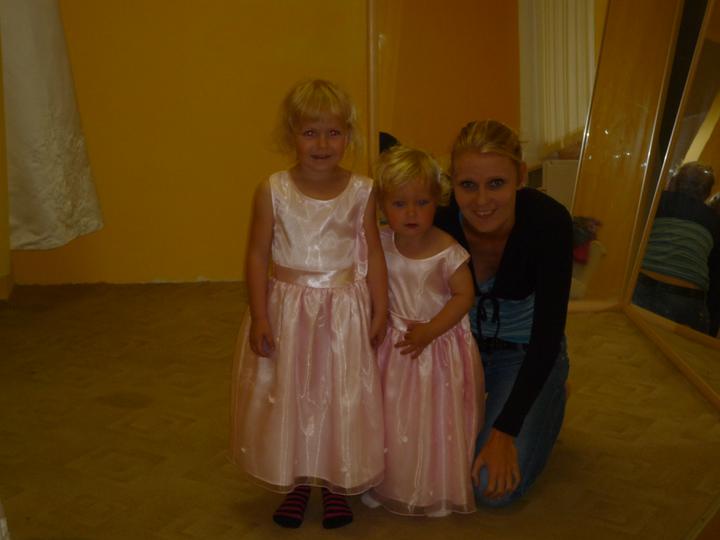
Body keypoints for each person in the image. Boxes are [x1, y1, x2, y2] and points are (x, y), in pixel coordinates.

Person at [230, 79, 388, 529]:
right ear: (291, 135)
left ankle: (336, 482)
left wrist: (380, 307)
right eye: (310, 132)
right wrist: (260, 314)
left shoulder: (362, 191)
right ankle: (297, 480)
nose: (322, 144)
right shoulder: (273, 190)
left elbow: (373, 253)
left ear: (348, 135)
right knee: (292, 394)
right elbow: (257, 254)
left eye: (333, 133)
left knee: (339, 394)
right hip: (289, 313)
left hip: (343, 314)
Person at [435, 120, 573, 507]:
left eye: (496, 183)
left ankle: (550, 393)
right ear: (452, 184)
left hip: (526, 354)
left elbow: (547, 334)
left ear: (521, 177)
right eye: (468, 185)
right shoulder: (439, 219)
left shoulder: (549, 222)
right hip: (458, 351)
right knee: (423, 463)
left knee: (489, 488)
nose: (482, 200)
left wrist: (505, 431)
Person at [362, 145, 483, 516]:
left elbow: (464, 296)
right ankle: (390, 481)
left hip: (436, 351)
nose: (411, 213)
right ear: (383, 206)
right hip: (393, 348)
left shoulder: (447, 251)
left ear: (437, 200)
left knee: (430, 419)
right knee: (392, 416)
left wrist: (431, 330)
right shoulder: (380, 244)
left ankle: (434, 484)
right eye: (399, 204)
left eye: (422, 202)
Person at [633, 162, 720, 335]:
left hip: (642, 287)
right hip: (687, 300)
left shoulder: (658, 201)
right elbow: (715, 275)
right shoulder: (714, 221)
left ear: (674, 182)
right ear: (706, 194)